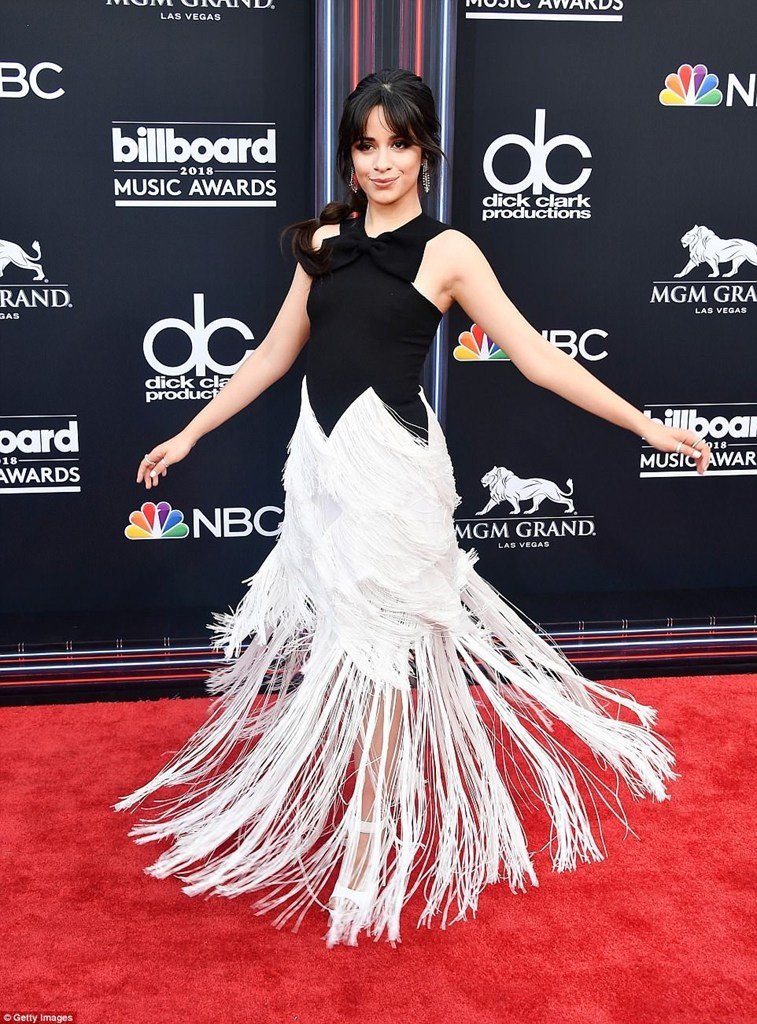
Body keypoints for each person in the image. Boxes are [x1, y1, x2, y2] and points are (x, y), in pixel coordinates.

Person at [113, 68, 711, 949]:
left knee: (384, 653)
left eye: (398, 143)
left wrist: (645, 425)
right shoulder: (324, 241)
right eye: (366, 145)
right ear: (349, 154)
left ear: (425, 149)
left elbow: (537, 357)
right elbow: (272, 355)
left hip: (391, 469)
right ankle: (369, 815)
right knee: (350, 642)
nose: (382, 161)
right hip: (321, 465)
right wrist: (190, 432)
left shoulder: (451, 251)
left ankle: (366, 844)